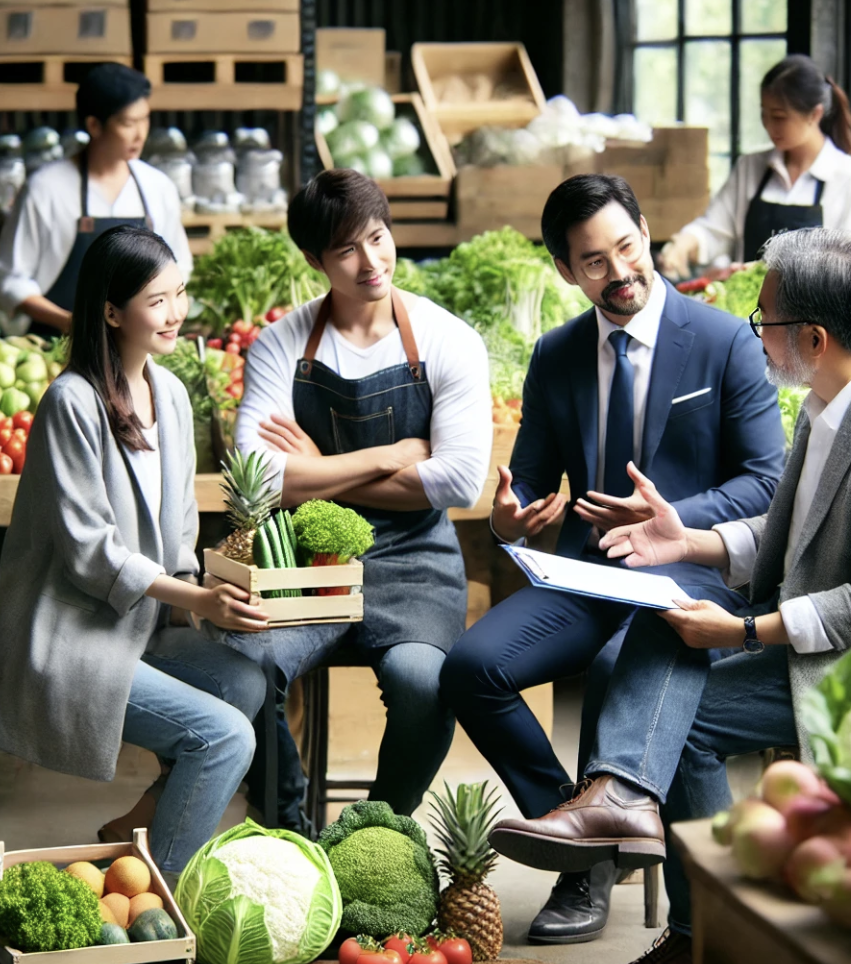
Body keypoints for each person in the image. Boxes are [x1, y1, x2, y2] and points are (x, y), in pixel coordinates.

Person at [487, 228, 851, 964]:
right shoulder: (826, 402)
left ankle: (687, 913)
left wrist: (741, 633)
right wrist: (688, 543)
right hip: (824, 635)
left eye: (763, 320)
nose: (756, 335)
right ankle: (632, 812)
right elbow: (792, 527)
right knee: (665, 614)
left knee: (687, 714)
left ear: (814, 336)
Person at [439, 173, 785, 945]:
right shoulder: (557, 353)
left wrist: (676, 520)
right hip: (587, 574)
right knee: (471, 667)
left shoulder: (725, 338)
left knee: (620, 669)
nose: (619, 270)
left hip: (692, 566)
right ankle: (588, 842)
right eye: (594, 261)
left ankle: (592, 865)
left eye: (627, 246)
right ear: (567, 270)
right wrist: (509, 512)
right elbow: (526, 474)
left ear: (646, 232)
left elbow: (768, 481)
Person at [0, 225, 268, 882]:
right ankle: (156, 895)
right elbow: (92, 553)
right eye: (157, 299)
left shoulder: (171, 395)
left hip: (141, 621)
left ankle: (137, 827)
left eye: (180, 293)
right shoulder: (71, 401)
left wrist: (217, 592)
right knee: (225, 735)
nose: (176, 312)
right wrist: (199, 598)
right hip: (72, 632)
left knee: (245, 681)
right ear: (112, 311)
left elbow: (176, 531)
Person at [227, 169, 492, 826]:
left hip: (415, 558)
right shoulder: (281, 346)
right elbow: (256, 480)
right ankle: (292, 831)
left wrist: (314, 465)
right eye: (346, 249)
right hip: (310, 554)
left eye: (377, 237)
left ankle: (375, 832)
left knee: (422, 683)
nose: (371, 261)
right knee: (246, 668)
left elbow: (458, 481)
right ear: (316, 260)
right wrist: (388, 457)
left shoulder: (447, 339)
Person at [0, 63, 191, 339]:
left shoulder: (157, 187)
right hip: (57, 344)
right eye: (128, 123)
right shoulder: (46, 189)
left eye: (145, 119)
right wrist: (72, 324)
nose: (140, 134)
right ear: (94, 125)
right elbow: (10, 279)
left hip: (135, 346)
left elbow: (179, 267)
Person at [659, 54, 851, 278]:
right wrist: (684, 243)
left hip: (816, 311)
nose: (769, 126)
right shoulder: (750, 166)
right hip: (747, 310)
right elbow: (715, 229)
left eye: (779, 117)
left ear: (815, 114)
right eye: (764, 115)